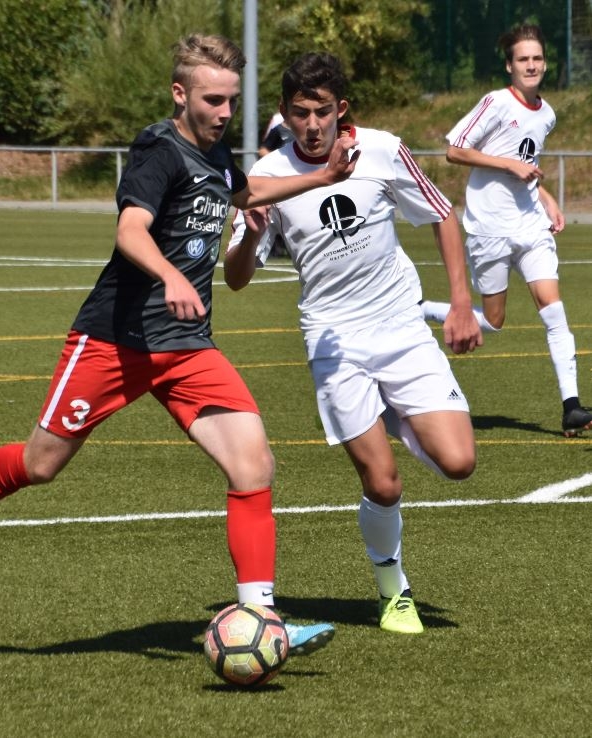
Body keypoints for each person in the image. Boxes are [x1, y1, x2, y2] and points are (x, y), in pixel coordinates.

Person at [0, 34, 360, 655]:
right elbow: (130, 230)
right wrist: (171, 275)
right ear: (180, 94)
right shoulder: (159, 151)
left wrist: (325, 176)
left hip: (186, 346)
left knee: (253, 464)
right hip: (114, 341)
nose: (225, 112)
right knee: (40, 465)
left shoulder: (216, 154)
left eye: (232, 100)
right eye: (213, 100)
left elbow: (246, 192)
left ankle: (263, 617)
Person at [225, 52, 482, 635]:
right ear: (284, 112)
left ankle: (396, 414)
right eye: (300, 113)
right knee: (383, 483)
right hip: (334, 340)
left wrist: (460, 302)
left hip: (400, 328)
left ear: (341, 110)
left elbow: (442, 214)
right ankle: (394, 592)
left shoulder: (383, 149)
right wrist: (252, 237)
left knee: (459, 462)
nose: (312, 125)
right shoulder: (268, 175)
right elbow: (235, 277)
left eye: (322, 112)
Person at [420, 24, 592, 438]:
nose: (531, 65)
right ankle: (419, 309)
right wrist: (507, 164)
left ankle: (571, 407)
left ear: (545, 64)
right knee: (494, 321)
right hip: (489, 230)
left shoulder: (547, 114)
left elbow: (527, 163)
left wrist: (546, 198)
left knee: (554, 311)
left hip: (530, 225)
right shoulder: (496, 102)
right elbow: (454, 150)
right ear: (509, 66)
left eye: (537, 58)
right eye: (522, 59)